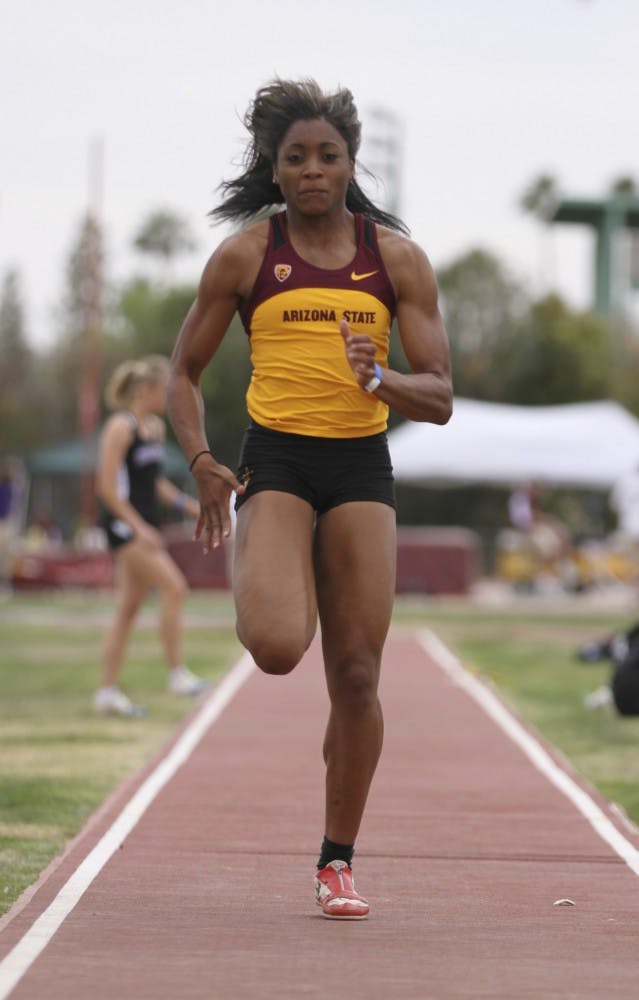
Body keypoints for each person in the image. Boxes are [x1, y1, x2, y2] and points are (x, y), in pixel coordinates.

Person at [168, 78, 452, 919]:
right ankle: (276, 568)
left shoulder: (394, 259)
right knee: (278, 645)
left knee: (358, 676)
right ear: (274, 167)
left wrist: (380, 377)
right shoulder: (245, 257)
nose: (313, 170)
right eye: (295, 157)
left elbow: (437, 396)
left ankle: (336, 861)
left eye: (327, 155)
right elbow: (182, 373)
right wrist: (200, 459)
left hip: (361, 465)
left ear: (350, 161)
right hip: (278, 459)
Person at [95, 355, 208, 717]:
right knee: (175, 587)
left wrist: (189, 506)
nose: (168, 396)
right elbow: (106, 487)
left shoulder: (154, 429)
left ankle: (107, 693)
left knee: (127, 610)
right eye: (165, 390)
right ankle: (177, 675)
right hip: (123, 526)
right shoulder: (119, 427)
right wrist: (140, 528)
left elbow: (153, 482)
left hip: (143, 524)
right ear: (146, 390)